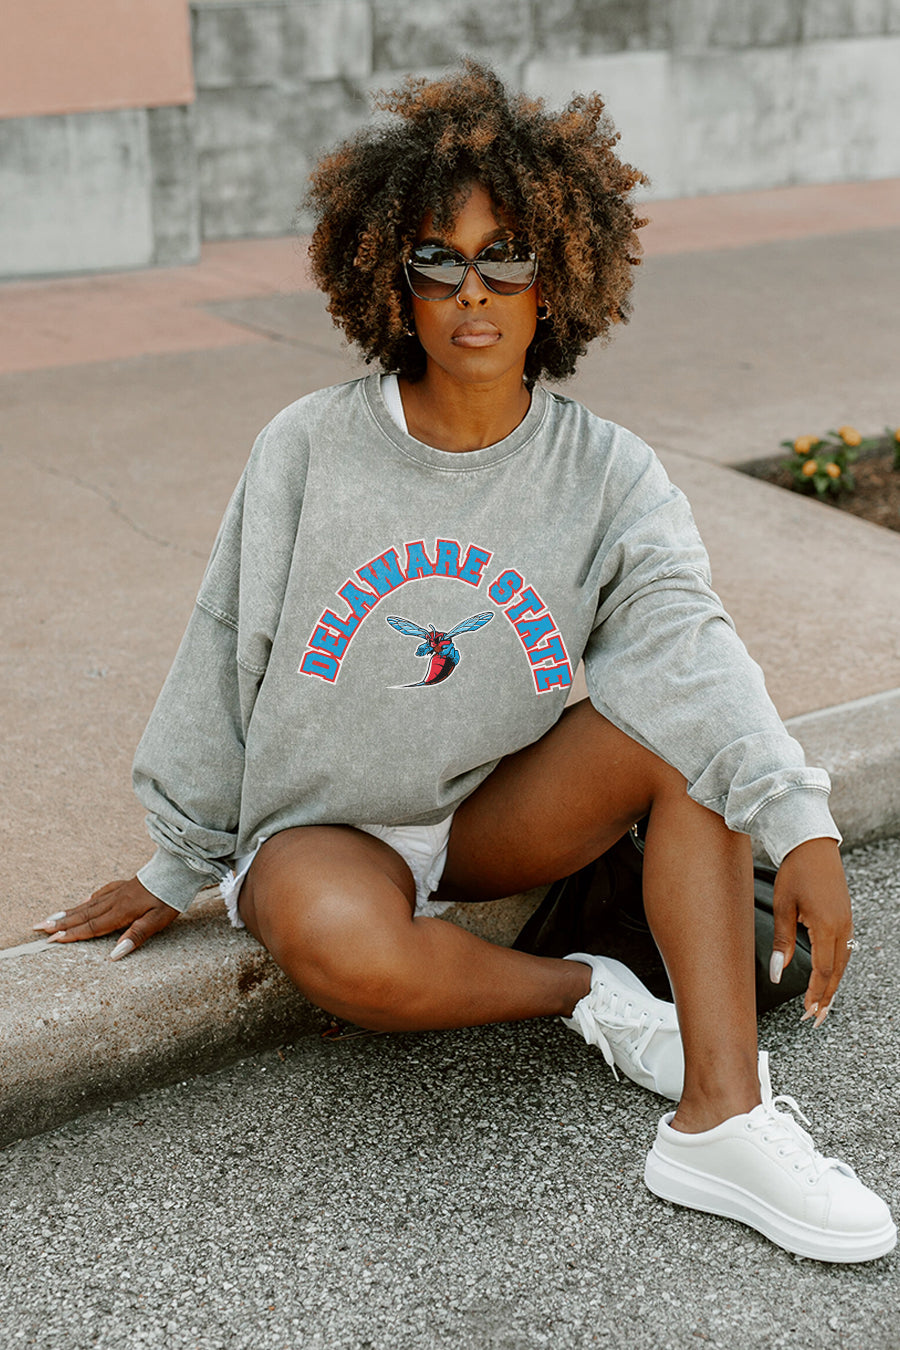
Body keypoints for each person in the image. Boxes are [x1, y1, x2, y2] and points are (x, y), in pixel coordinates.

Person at [36, 62, 894, 1263]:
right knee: (346, 954)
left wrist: (800, 822)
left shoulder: (608, 476)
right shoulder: (310, 449)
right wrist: (178, 858)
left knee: (683, 728)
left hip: (493, 814)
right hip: (325, 828)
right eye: (439, 260)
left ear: (562, 279)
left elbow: (692, 654)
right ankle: (588, 991)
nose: (473, 291)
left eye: (508, 259)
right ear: (393, 278)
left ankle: (723, 1119)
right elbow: (227, 645)